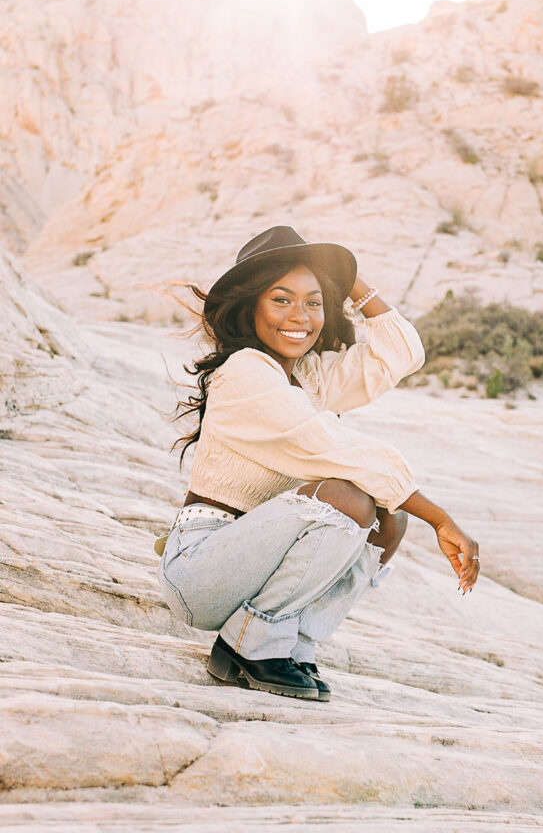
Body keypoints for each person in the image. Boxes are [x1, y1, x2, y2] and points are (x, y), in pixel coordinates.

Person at [158, 225, 480, 702]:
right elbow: (329, 445)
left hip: (254, 563)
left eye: (313, 302)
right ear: (251, 307)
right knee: (347, 496)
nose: (300, 316)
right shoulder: (245, 372)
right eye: (281, 299)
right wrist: (441, 518)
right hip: (202, 568)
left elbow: (402, 354)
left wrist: (346, 277)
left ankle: (292, 645)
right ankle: (252, 643)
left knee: (389, 519)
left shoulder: (308, 377)